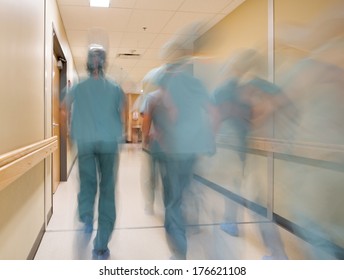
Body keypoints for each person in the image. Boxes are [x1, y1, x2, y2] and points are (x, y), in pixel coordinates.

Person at [144, 41, 216, 259]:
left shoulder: (165, 79)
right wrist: (207, 138)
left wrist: (164, 135)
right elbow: (213, 112)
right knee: (188, 189)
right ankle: (192, 223)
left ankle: (179, 252)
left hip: (174, 150)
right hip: (193, 149)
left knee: (173, 200)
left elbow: (169, 107)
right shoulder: (197, 83)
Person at [62, 44, 125, 260]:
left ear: (88, 64)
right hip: (108, 144)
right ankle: (100, 247)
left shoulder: (78, 88)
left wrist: (71, 130)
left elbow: (63, 107)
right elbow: (122, 113)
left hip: (86, 142)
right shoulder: (115, 88)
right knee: (107, 190)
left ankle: (87, 216)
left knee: (88, 184)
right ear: (104, 63)